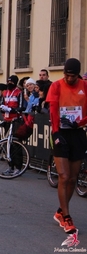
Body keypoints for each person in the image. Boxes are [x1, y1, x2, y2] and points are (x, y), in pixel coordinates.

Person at [46, 58, 87, 234]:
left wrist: (79, 123)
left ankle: (61, 211)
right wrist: (55, 133)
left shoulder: (84, 86)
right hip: (60, 133)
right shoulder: (56, 86)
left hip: (77, 133)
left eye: (73, 76)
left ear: (78, 74)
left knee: (72, 177)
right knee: (63, 175)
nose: (69, 79)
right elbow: (53, 110)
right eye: (67, 75)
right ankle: (67, 217)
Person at [0, 75, 24, 176]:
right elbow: (1, 103)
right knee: (7, 144)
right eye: (8, 81)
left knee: (16, 144)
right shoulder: (5, 92)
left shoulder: (19, 92)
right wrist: (2, 108)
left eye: (11, 82)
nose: (9, 83)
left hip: (16, 121)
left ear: (15, 82)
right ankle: (10, 166)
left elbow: (22, 107)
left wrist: (13, 110)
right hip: (7, 120)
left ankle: (18, 167)